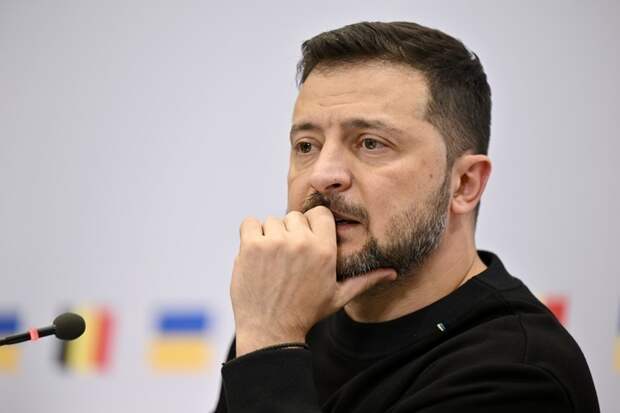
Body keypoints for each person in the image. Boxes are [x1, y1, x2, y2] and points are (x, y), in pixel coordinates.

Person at [213, 21, 599, 412]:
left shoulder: (516, 375)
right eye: (306, 145)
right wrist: (270, 338)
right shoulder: (291, 317)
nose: (322, 174)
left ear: (464, 183)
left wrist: (270, 344)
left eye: (370, 143)